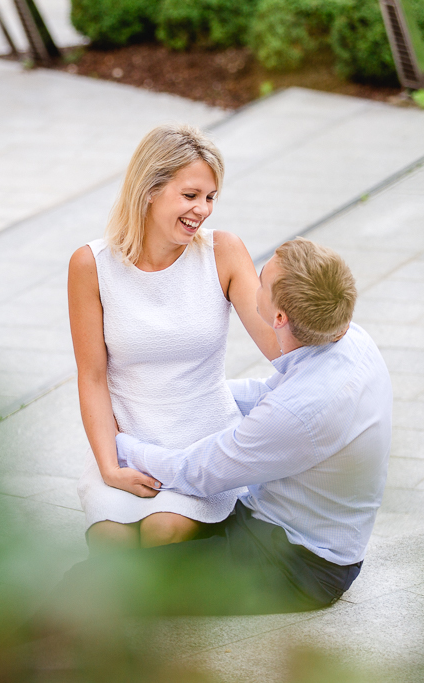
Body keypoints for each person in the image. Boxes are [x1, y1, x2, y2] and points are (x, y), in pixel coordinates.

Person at [54, 237, 392, 616]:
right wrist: (184, 394)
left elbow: (198, 472)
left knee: (115, 579)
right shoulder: (348, 340)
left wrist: (124, 445)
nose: (254, 285)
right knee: (131, 546)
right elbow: (267, 394)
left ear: (279, 318)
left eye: (261, 282)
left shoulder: (299, 411)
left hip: (295, 564)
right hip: (287, 529)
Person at [68, 124, 279, 551]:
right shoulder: (91, 265)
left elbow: (279, 345)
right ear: (149, 189)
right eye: (190, 195)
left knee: (163, 532)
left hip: (203, 449)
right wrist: (110, 467)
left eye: (210, 197)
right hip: (129, 448)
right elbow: (91, 377)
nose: (202, 209)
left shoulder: (223, 252)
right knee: (112, 542)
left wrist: (333, 346)